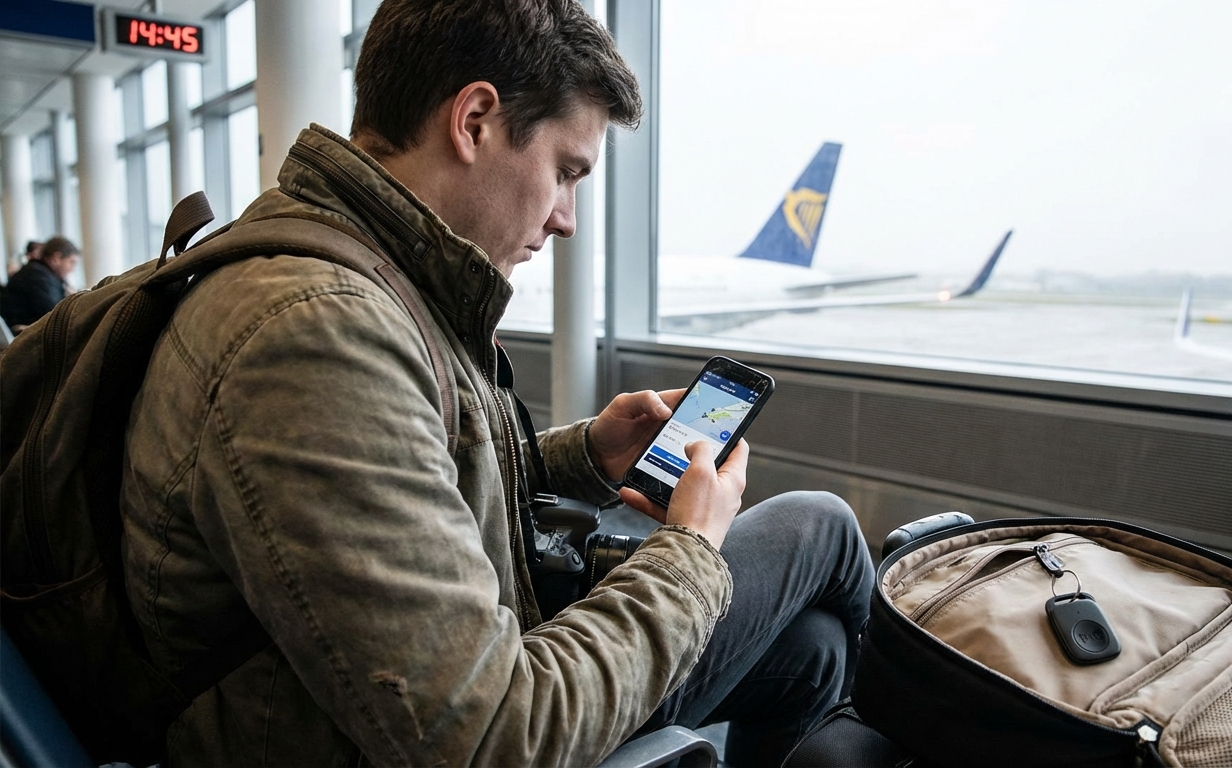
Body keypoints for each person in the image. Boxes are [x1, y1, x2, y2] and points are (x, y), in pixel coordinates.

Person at [119, 1, 871, 765]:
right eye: (566, 172)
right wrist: (691, 547)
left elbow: (405, 476)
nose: (567, 218)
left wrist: (581, 454)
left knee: (811, 648)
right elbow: (487, 738)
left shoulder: (352, 272)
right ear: (474, 120)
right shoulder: (315, 334)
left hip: (392, 682)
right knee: (823, 524)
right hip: (447, 719)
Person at [0, 236, 79, 331]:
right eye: (71, 262)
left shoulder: (40, 273)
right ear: (56, 258)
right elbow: (55, 316)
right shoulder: (38, 277)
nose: (72, 269)